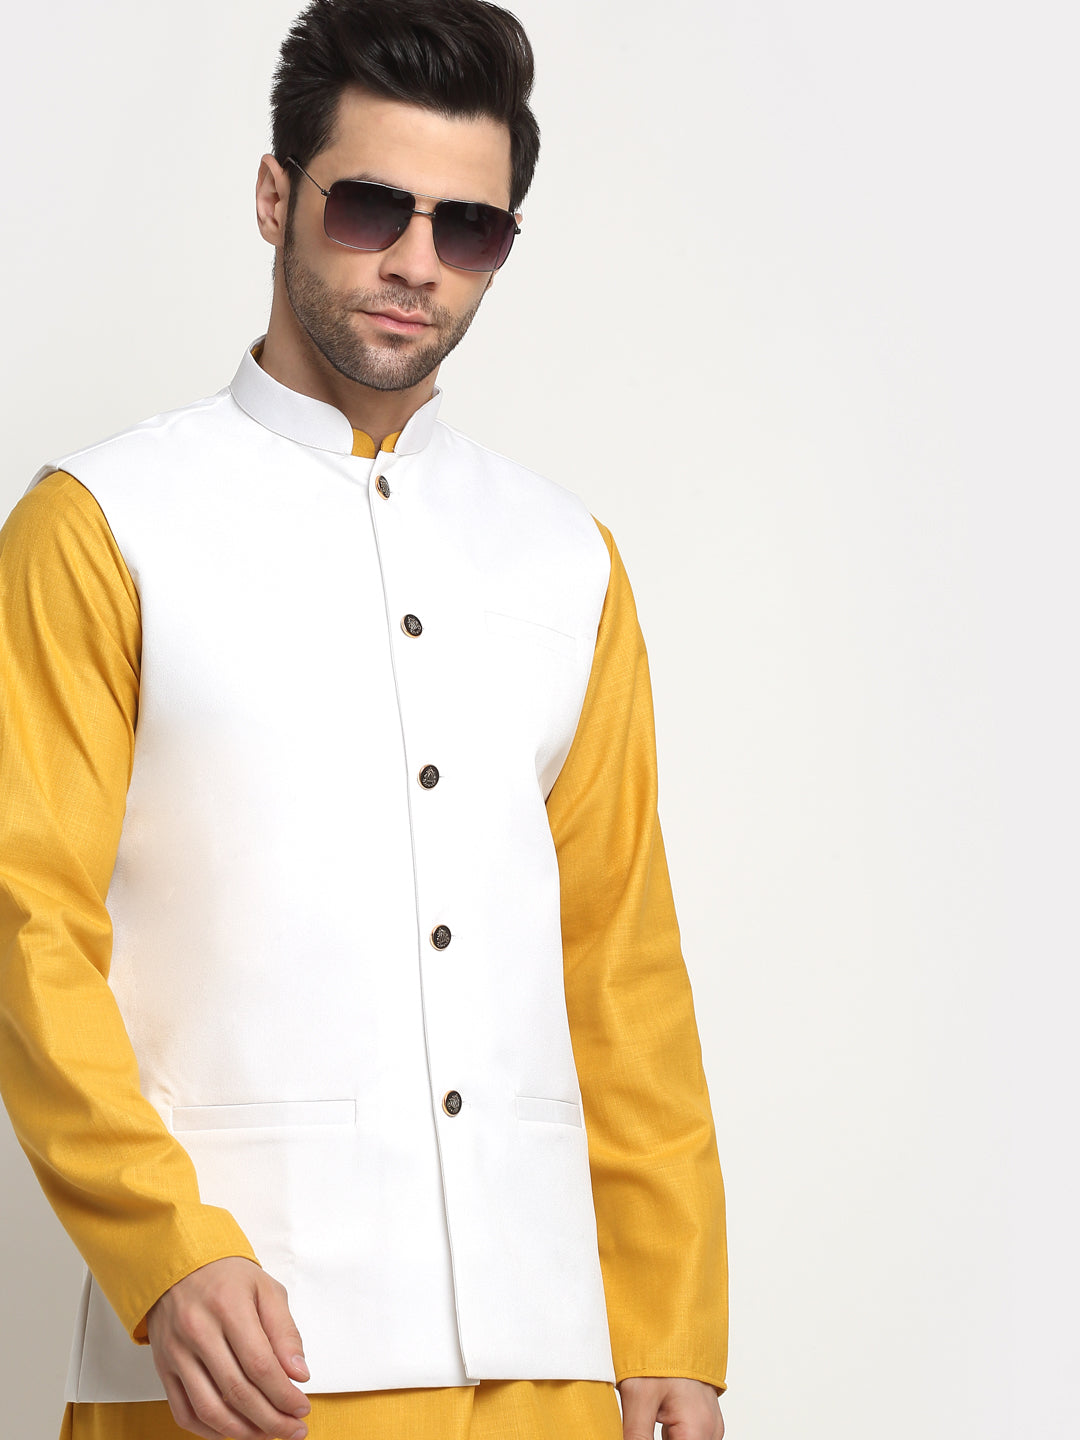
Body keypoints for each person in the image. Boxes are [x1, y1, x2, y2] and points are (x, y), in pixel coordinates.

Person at [0, 2, 728, 1437]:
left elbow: (620, 958)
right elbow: (27, 921)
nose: (415, 262)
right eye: (371, 206)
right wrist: (162, 1248)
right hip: (239, 1363)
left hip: (552, 1370)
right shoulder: (100, 528)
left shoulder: (568, 559)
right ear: (276, 196)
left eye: (470, 228)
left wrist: (671, 1325)